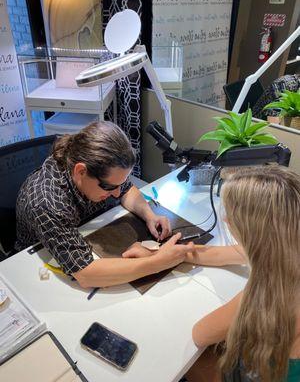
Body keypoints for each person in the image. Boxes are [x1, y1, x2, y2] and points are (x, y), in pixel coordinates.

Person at [15, 121, 195, 288]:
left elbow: (126, 190)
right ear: (81, 171)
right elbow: (86, 274)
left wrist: (150, 215)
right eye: (109, 187)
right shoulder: (47, 203)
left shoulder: (98, 166)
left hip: (86, 233)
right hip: (38, 262)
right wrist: (157, 263)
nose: (116, 193)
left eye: (119, 184)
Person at [185, 166, 300, 382]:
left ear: (256, 233)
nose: (227, 222)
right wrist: (169, 253)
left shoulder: (268, 295)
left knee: (195, 359)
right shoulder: (288, 249)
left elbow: (200, 334)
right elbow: (222, 254)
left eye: (232, 217)